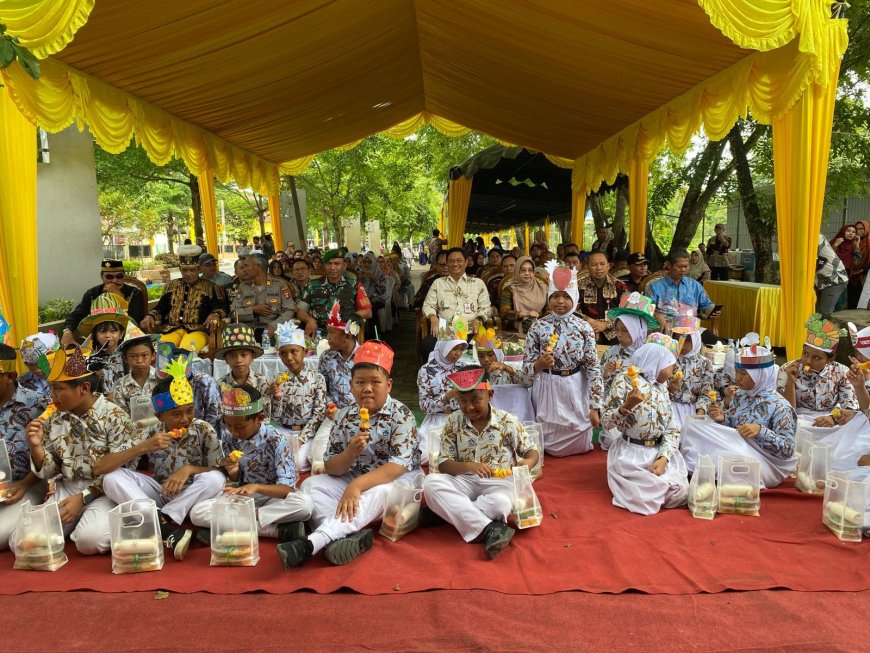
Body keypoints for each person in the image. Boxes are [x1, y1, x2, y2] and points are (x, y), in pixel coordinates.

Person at [278, 342, 420, 568]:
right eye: (360, 382)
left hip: (398, 481)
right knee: (311, 486)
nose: (368, 388)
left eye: (376, 382)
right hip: (357, 473)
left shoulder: (402, 415)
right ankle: (340, 537)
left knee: (381, 492)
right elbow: (332, 467)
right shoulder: (344, 416)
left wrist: (356, 486)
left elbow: (397, 466)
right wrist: (350, 452)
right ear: (351, 386)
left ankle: (314, 542)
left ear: (389, 385)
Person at [100, 364, 225, 561]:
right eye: (176, 414)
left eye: (189, 411)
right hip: (160, 493)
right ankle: (163, 524)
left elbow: (221, 469)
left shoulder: (203, 429)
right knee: (111, 477)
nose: (185, 419)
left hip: (194, 497)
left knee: (216, 478)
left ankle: (161, 520)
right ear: (159, 416)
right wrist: (143, 447)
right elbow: (111, 467)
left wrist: (189, 469)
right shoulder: (150, 433)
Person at [23, 347, 136, 554]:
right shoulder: (54, 418)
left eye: (58, 389)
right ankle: (77, 523)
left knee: (89, 542)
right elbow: (49, 471)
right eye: (51, 388)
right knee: (29, 541)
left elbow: (122, 472)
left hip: (105, 492)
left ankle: (122, 520)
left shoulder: (115, 417)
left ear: (83, 388)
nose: (52, 395)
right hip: (68, 487)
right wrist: (36, 446)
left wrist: (84, 497)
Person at [422, 366, 539, 559]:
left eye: (476, 400)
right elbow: (443, 464)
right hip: (463, 480)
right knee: (431, 482)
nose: (469, 407)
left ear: (490, 395)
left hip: (500, 482)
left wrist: (528, 462)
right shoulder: (454, 421)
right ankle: (488, 528)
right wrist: (468, 466)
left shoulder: (508, 421)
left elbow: (530, 451)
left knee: (500, 505)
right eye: (463, 401)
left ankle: (449, 512)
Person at [190, 384, 313, 543]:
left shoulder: (277, 440)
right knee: (197, 512)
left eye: (240, 426)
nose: (234, 432)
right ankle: (275, 531)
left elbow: (286, 489)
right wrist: (232, 472)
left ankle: (229, 525)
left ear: (259, 418)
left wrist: (256, 487)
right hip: (243, 497)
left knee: (305, 504)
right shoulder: (229, 436)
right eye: (228, 425)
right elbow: (235, 479)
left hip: (272, 497)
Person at [681, 344, 797, 488]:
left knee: (733, 456)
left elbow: (787, 450)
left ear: (761, 375)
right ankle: (713, 472)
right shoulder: (741, 395)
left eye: (744, 374)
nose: (737, 378)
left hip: (764, 462)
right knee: (694, 425)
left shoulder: (781, 407)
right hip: (736, 446)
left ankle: (712, 473)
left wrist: (761, 431)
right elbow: (733, 425)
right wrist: (722, 418)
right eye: (736, 372)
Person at [602, 334, 689, 515]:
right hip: (631, 453)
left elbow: (672, 428)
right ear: (657, 360)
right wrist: (626, 406)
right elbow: (606, 421)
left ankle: (659, 481)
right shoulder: (624, 381)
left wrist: (663, 458)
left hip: (657, 452)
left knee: (680, 492)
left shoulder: (662, 387)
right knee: (644, 500)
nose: (673, 371)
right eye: (671, 364)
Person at [523, 261, 602, 456]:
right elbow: (525, 366)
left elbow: (593, 368)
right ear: (548, 298)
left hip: (575, 385)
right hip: (547, 385)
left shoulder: (584, 328)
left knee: (579, 435)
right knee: (548, 427)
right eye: (555, 296)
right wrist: (539, 365)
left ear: (575, 298)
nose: (560, 301)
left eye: (566, 296)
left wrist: (595, 405)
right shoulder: (537, 327)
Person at [0, 344, 49, 549]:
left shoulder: (37, 404)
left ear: (9, 376)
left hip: (27, 483)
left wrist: (25, 484)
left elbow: (51, 455)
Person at [140, 245, 229, 353]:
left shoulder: (211, 287)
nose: (188, 274)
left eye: (192, 270)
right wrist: (151, 316)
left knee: (185, 352)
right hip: (171, 329)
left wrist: (215, 314)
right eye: (185, 270)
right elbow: (161, 308)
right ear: (180, 269)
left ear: (199, 269)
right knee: (162, 351)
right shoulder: (171, 286)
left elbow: (222, 307)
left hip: (198, 330)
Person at [599, 292, 659, 445]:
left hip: (646, 408)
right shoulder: (611, 353)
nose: (619, 335)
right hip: (617, 408)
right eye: (617, 329)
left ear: (638, 329)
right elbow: (600, 388)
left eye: (625, 330)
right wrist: (605, 374)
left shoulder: (651, 353)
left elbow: (659, 384)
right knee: (613, 440)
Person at [778, 314, 857, 422]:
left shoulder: (841, 371)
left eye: (816, 357)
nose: (808, 361)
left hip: (831, 417)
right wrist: (790, 382)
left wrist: (833, 418)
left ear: (830, 360)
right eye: (805, 354)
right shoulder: (786, 369)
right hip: (798, 419)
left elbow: (851, 407)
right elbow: (784, 411)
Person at [272, 320, 327, 472]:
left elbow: (319, 414)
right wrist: (276, 398)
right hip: (283, 429)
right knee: (271, 452)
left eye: (293, 351)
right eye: (283, 353)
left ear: (304, 351)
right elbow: (274, 418)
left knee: (297, 462)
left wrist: (302, 438)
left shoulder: (317, 379)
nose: (288, 358)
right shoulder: (278, 379)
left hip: (306, 433)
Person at [421, 247, 491, 358]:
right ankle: (437, 374)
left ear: (466, 262)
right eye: (451, 261)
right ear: (447, 264)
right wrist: (433, 317)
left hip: (471, 330)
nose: (455, 264)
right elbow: (428, 305)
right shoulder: (438, 283)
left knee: (485, 347)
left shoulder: (478, 283)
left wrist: (479, 319)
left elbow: (486, 308)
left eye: (459, 260)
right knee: (427, 345)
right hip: (444, 330)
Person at [62, 260, 146, 347]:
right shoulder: (92, 293)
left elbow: (135, 320)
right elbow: (77, 314)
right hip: (99, 339)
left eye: (119, 276)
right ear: (102, 278)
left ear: (124, 277)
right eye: (109, 277)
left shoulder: (134, 293)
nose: (114, 280)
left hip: (126, 338)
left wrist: (118, 295)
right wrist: (67, 330)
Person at [417, 324, 468, 464]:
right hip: (436, 421)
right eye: (454, 349)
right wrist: (448, 396)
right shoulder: (426, 371)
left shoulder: (462, 368)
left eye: (461, 349)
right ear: (443, 347)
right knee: (428, 456)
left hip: (460, 419)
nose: (458, 354)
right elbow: (424, 406)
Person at [645, 249, 720, 341]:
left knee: (719, 343)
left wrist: (713, 311)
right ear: (669, 265)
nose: (683, 270)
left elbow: (707, 305)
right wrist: (656, 315)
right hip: (665, 331)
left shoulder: (695, 285)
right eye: (679, 267)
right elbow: (646, 310)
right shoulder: (655, 287)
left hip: (691, 331)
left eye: (686, 266)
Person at [297, 249, 372, 338]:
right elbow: (300, 311)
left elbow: (368, 312)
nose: (332, 267)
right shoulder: (312, 285)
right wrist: (310, 320)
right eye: (329, 263)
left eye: (337, 264)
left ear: (344, 265)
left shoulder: (354, 285)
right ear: (324, 265)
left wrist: (349, 318)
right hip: (318, 334)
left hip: (344, 334)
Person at [76, 293, 133, 401]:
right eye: (102, 331)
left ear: (121, 334)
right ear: (95, 335)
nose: (108, 335)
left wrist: (117, 395)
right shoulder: (89, 358)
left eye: (113, 331)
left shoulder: (128, 355)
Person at [214, 323, 274, 419]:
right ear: (226, 359)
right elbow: (219, 415)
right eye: (233, 356)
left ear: (252, 356)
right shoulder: (220, 385)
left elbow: (266, 415)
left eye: (244, 354)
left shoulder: (263, 382)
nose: (238, 360)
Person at [231, 254, 296, 339]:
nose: (244, 269)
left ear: (257, 266)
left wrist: (274, 326)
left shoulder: (279, 285)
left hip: (276, 332)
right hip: (249, 334)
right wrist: (253, 310)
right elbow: (234, 313)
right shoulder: (243, 287)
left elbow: (289, 310)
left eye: (246, 265)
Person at [668, 316, 715, 428]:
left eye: (687, 339)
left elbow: (706, 393)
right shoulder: (667, 360)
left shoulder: (704, 363)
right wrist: (670, 388)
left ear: (696, 339)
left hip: (693, 410)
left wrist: (699, 415)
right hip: (669, 408)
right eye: (677, 338)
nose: (682, 343)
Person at [576, 250, 628, 345]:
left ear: (608, 266)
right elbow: (572, 310)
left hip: (614, 331)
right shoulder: (578, 285)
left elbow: (626, 312)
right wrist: (588, 322)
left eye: (602, 264)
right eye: (594, 264)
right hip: (586, 328)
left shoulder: (620, 286)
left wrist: (606, 324)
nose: (599, 268)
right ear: (587, 266)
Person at [318, 303, 363, 408]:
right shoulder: (326, 357)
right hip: (334, 414)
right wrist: (330, 406)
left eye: (332, 333)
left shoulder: (365, 357)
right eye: (328, 332)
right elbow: (322, 389)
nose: (327, 337)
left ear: (347, 336)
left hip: (361, 413)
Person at [112, 325, 158, 417]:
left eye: (144, 355)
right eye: (133, 356)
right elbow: (121, 416)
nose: (139, 361)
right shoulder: (120, 385)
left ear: (153, 355)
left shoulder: (161, 379)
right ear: (125, 358)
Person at [500, 256, 548, 333]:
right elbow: (504, 312)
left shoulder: (543, 288)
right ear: (517, 271)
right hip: (517, 328)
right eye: (523, 270)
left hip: (542, 326)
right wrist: (524, 314)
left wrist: (542, 319)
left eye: (530, 270)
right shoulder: (509, 289)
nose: (527, 273)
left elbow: (550, 309)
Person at [815, 234, 849, 315]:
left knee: (825, 312)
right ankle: (814, 327)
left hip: (834, 279)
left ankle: (826, 327)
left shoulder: (815, 237)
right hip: (823, 280)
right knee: (817, 310)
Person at [18, 332, 59, 399]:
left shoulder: (67, 376)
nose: (37, 370)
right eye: (31, 365)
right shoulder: (22, 383)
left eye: (42, 363)